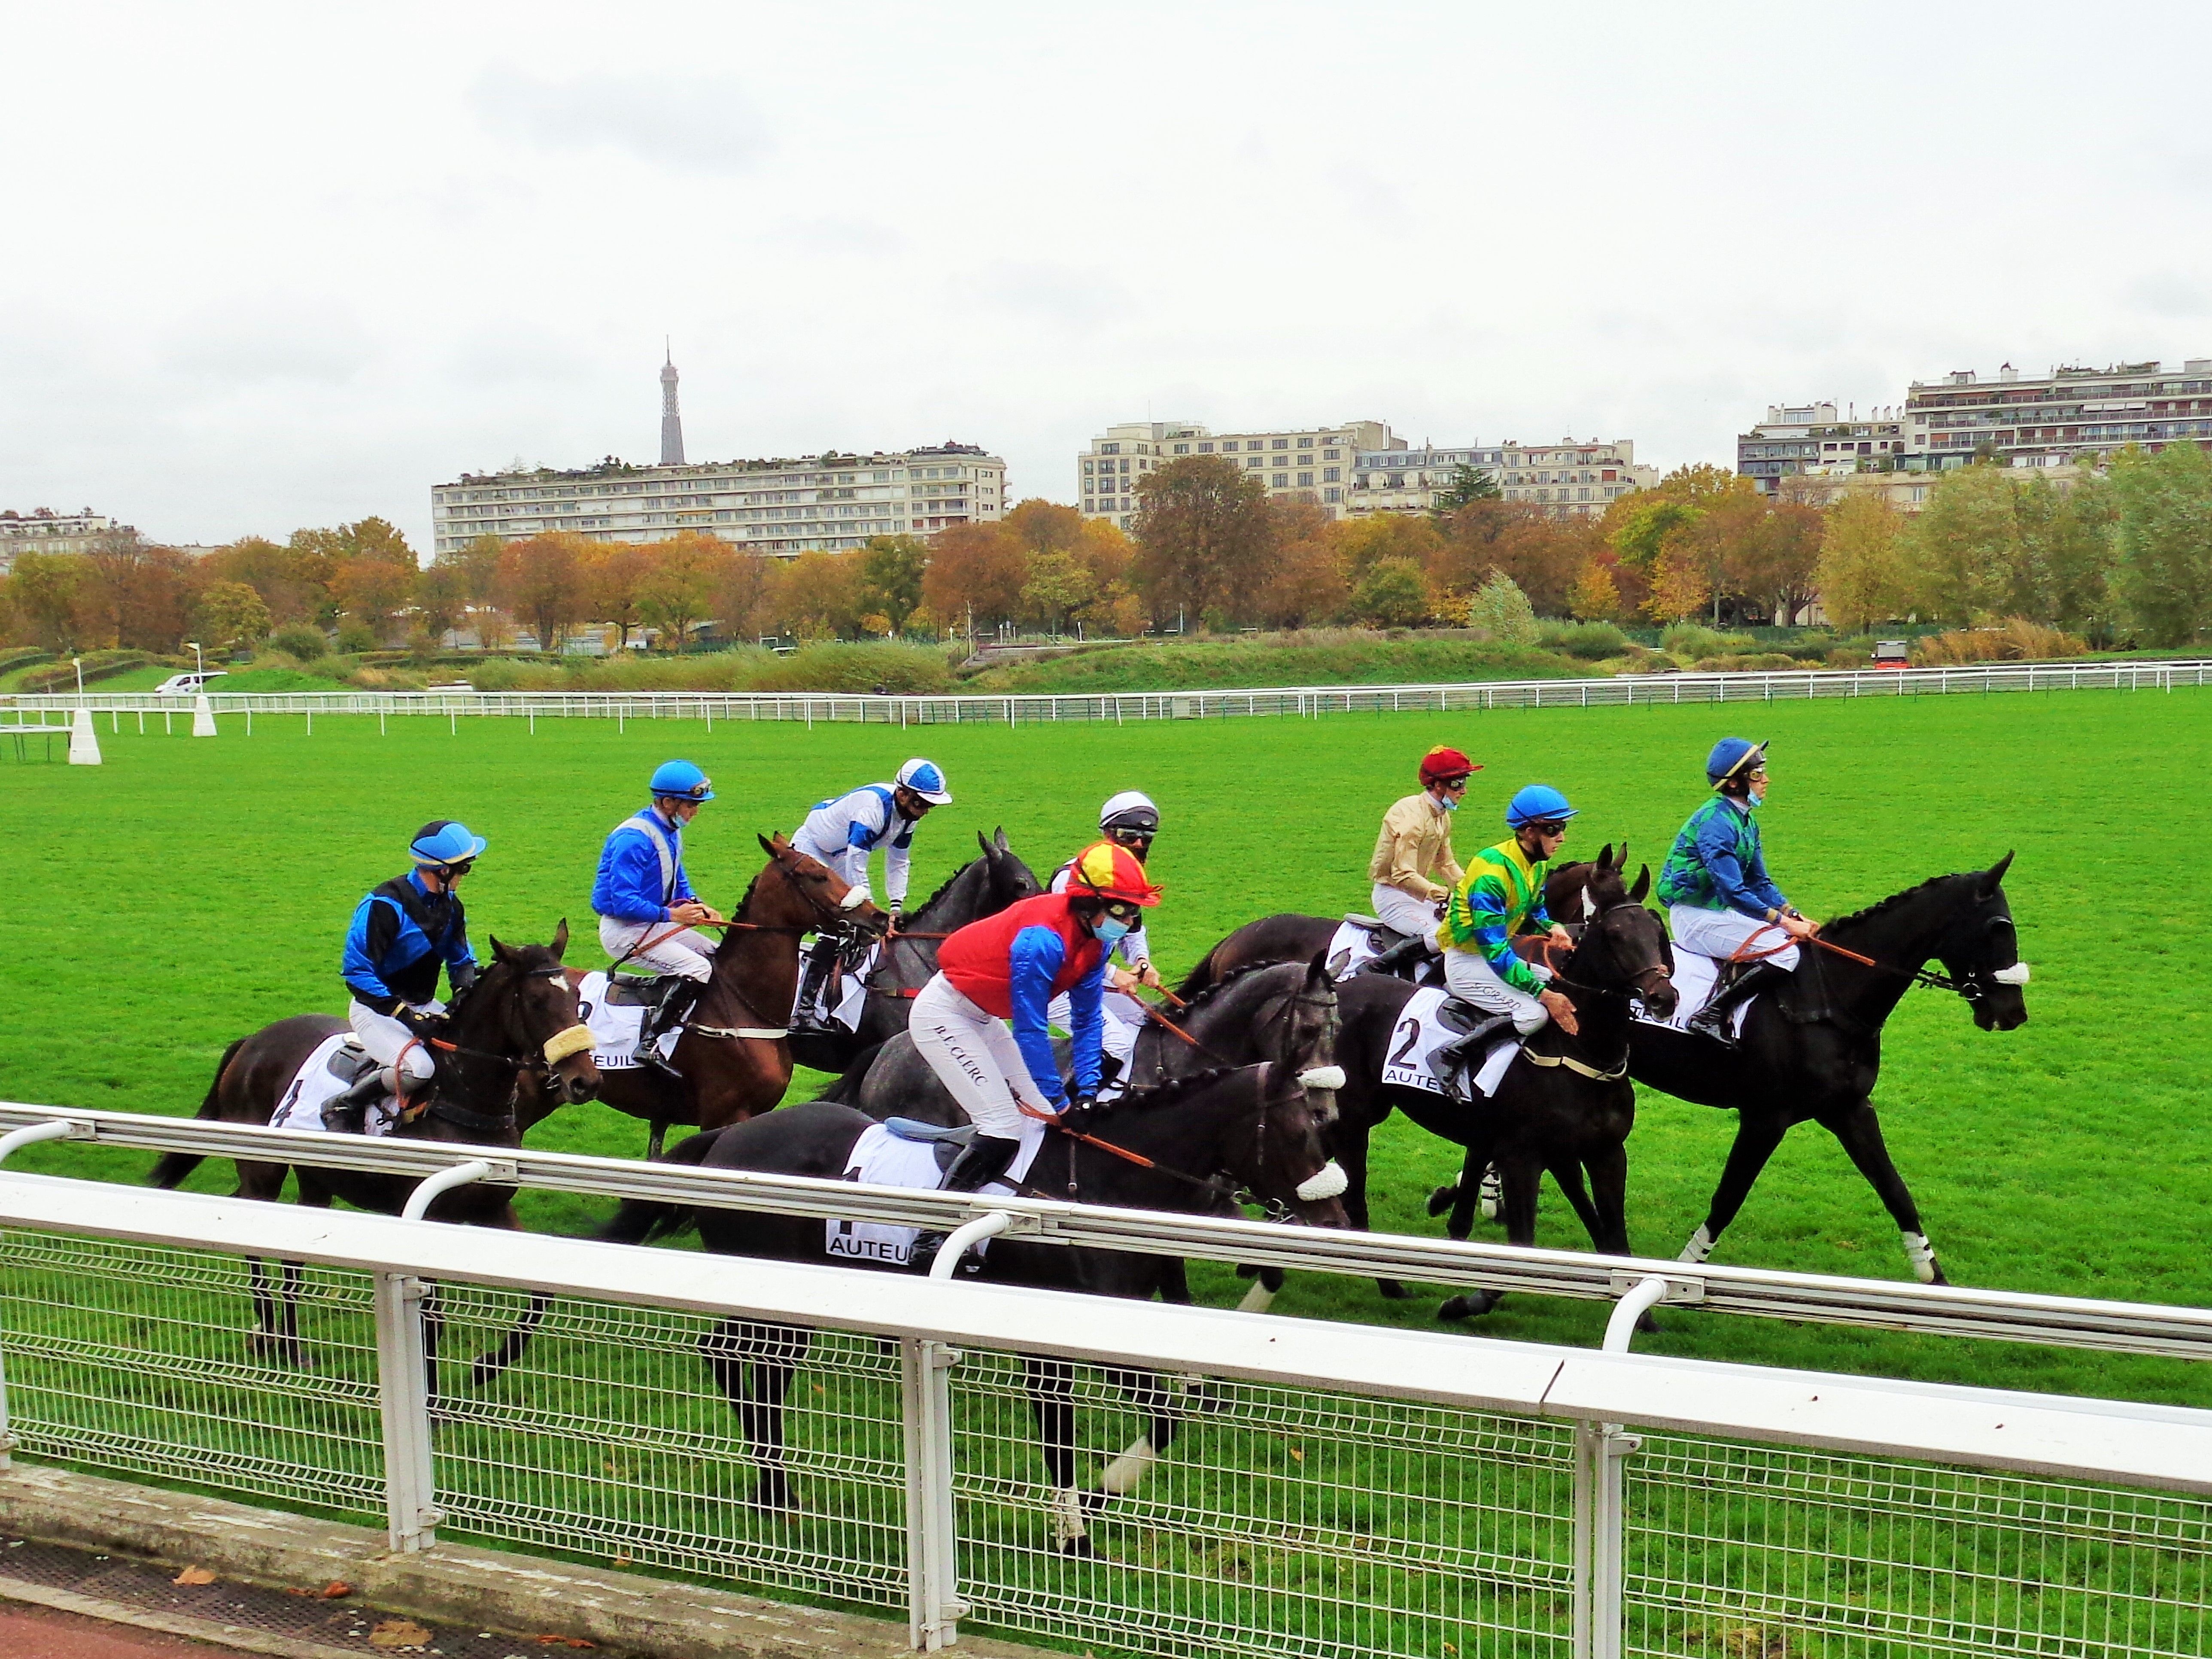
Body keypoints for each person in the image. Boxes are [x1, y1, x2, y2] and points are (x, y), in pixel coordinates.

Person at [905, 840, 1163, 1267]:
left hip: (984, 1016)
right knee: (1003, 1124)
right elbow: (1030, 1031)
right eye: (1122, 911)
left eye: (1135, 912)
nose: (1130, 921)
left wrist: (1085, 1092)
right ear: (1088, 903)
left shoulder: (1095, 943)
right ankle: (932, 1237)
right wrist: (1063, 1102)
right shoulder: (1040, 944)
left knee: (1041, 1116)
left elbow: (1086, 1022)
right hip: (944, 1015)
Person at [1657, 738, 1817, 1044]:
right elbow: (1733, 889)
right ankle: (1711, 1014)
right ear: (1733, 784)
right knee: (1785, 954)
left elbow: (1759, 881)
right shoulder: (1717, 823)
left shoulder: (1745, 820)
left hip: (1719, 911)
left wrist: (1795, 915)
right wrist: (1783, 923)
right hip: (1694, 917)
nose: (1766, 780)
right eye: (1757, 774)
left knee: (1792, 939)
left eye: (1763, 771)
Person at [329, 820, 487, 1131]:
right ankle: (345, 1103)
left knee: (471, 1055)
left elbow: (461, 960)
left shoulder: (451, 907)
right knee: (421, 1069)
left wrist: (466, 991)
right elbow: (357, 972)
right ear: (443, 871)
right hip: (376, 1010)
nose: (465, 875)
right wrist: (405, 1016)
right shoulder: (384, 906)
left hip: (423, 1005)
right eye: (464, 868)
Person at [1425, 786, 1581, 1093]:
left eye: (1562, 827)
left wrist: (1553, 926)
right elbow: (1495, 951)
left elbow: (1535, 904)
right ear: (1527, 831)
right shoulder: (1491, 875)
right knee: (1534, 1013)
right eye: (1554, 829)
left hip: (1488, 957)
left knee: (1556, 980)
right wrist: (1542, 995)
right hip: (1467, 963)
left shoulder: (1535, 862)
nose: (1561, 837)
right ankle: (1452, 1053)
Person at [790, 758, 953, 1028]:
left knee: (856, 926)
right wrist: (870, 909)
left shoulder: (907, 818)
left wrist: (895, 908)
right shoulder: (873, 809)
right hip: (812, 850)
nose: (924, 811)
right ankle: (804, 1010)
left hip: (839, 853)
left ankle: (839, 997)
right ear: (902, 793)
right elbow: (858, 859)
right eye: (920, 803)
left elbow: (899, 862)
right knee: (837, 925)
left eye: (929, 806)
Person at [591, 760, 726, 1073]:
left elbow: (678, 881)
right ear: (668, 802)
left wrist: (698, 905)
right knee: (697, 967)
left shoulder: (669, 829)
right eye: (692, 805)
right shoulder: (634, 839)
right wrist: (673, 915)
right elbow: (621, 902)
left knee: (718, 956)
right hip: (625, 930)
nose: (696, 811)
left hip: (654, 924)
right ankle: (650, 1043)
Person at [1360, 746, 1480, 977]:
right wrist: (1444, 895)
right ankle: (1376, 968)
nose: (1464, 791)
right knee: (1443, 935)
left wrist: (1473, 890)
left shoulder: (1442, 816)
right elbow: (1402, 874)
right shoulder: (1413, 818)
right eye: (1457, 784)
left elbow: (1445, 864)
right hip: (1392, 896)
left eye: (1464, 782)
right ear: (1436, 785)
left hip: (1415, 894)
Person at [1048, 791, 1164, 991]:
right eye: (1128, 836)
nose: (1138, 844)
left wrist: (1142, 960)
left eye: (1147, 838)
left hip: (1090, 974)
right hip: (1056, 982)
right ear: (1107, 833)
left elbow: (1132, 928)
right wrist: (1111, 973)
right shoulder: (1072, 878)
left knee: (1144, 1020)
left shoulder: (1128, 876)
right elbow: (1063, 948)